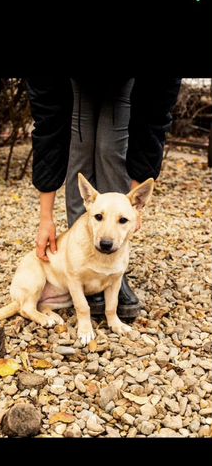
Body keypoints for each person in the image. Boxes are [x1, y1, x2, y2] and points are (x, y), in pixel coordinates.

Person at [26, 76, 181, 317]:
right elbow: (49, 122)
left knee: (111, 149)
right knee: (79, 149)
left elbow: (153, 116)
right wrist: (46, 217)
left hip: (125, 82)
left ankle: (113, 273)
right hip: (73, 82)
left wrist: (134, 206)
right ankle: (80, 266)